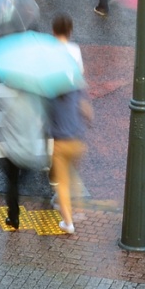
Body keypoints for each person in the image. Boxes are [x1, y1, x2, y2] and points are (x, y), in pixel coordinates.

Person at [46, 14, 89, 234]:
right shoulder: (75, 52)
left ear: (54, 30)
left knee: (61, 181)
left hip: (60, 138)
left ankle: (68, 221)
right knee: (74, 174)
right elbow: (79, 80)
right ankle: (79, 208)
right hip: (78, 135)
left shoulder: (50, 56)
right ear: (70, 30)